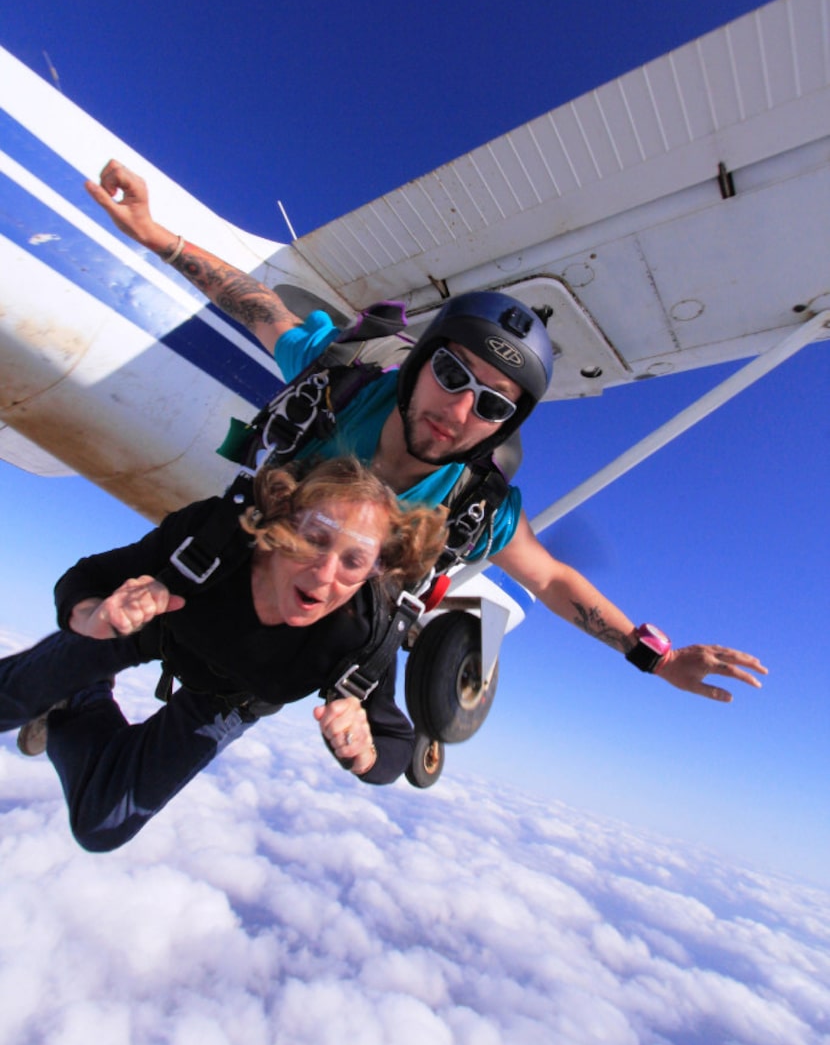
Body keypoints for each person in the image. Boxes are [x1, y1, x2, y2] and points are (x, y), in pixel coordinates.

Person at [85, 160, 768, 703]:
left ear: (507, 425)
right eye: (452, 371)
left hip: (280, 636)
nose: (461, 408)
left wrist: (657, 656)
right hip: (206, 579)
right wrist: (158, 236)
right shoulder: (341, 382)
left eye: (494, 406)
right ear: (416, 363)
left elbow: (554, 579)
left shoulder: (476, 504)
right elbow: (260, 307)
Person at [0, 457, 446, 851]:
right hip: (150, 627)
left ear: (376, 570)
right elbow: (89, 576)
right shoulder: (213, 539)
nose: (325, 573)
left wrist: (363, 752)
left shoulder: (362, 632)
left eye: (354, 561)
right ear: (283, 524)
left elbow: (396, 746)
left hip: (229, 697)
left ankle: (77, 701)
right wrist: (91, 616)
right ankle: (75, 681)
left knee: (101, 822)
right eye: (314, 537)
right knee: (6, 700)